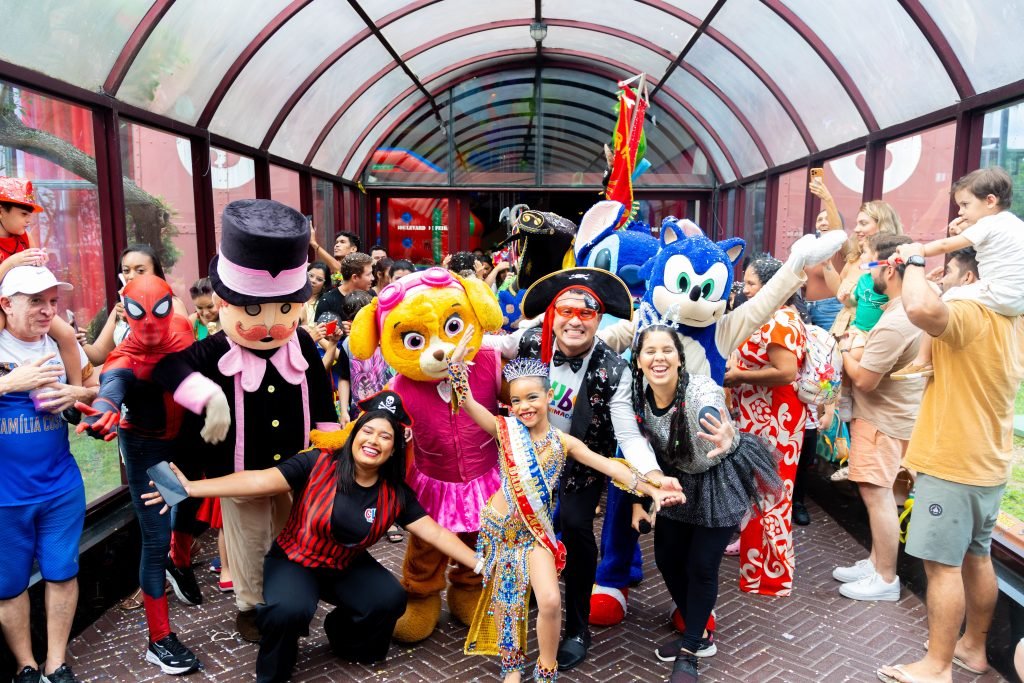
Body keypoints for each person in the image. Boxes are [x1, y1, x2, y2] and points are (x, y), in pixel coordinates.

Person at [143, 390, 481, 683]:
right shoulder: (318, 462)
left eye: (385, 436)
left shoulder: (397, 494)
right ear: (353, 434)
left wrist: (482, 564)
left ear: (393, 449)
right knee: (287, 610)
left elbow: (436, 532)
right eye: (367, 431)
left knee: (389, 598)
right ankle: (275, 669)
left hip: (344, 565)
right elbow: (259, 480)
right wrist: (191, 488)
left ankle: (343, 636)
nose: (373, 441)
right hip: (295, 559)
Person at [154, 200, 339, 643]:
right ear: (225, 302)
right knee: (249, 541)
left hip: (297, 467)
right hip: (238, 472)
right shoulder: (217, 348)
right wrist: (207, 396)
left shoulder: (301, 345)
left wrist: (330, 450)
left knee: (294, 531)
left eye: (284, 309)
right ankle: (252, 607)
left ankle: (290, 597)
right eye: (253, 311)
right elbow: (169, 369)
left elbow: (321, 398)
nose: (270, 325)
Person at [452, 351, 680, 683]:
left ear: (549, 396)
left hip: (535, 533)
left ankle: (546, 667)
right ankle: (512, 667)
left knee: (548, 600)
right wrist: (457, 371)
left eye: (532, 397)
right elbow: (469, 403)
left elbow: (610, 467)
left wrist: (652, 488)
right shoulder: (506, 430)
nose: (524, 406)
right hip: (501, 531)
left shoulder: (563, 442)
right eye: (516, 400)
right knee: (507, 600)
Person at [491, 267, 676, 670]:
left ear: (599, 319)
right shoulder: (529, 340)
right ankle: (526, 600)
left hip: (583, 461)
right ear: (552, 315)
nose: (575, 321)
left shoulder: (614, 369)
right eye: (567, 311)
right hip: (531, 458)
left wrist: (652, 476)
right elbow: (489, 344)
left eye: (586, 313)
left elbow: (628, 435)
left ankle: (577, 626)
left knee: (575, 528)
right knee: (521, 528)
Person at [875, 238, 1024, 683]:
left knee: (941, 566)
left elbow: (920, 308)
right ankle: (973, 648)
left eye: (951, 273)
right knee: (977, 557)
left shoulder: (970, 313)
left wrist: (915, 260)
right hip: (989, 461)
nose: (943, 282)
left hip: (953, 463)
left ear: (972, 277)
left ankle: (936, 666)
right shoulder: (1010, 319)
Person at [628, 325, 781, 682]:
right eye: (650, 351)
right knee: (667, 558)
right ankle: (699, 630)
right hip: (677, 482)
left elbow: (711, 411)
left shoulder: (700, 391)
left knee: (701, 565)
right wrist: (639, 498)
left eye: (667, 350)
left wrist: (726, 435)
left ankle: (690, 650)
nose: (659, 358)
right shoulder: (638, 398)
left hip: (718, 479)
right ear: (638, 362)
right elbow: (638, 451)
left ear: (680, 359)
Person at [74, 274, 201, 675]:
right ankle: (158, 639)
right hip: (148, 448)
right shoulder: (124, 358)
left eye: (157, 312)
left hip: (184, 440)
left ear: (170, 308)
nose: (149, 324)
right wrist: (105, 409)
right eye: (138, 314)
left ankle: (180, 562)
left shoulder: (182, 329)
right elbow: (113, 384)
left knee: (190, 502)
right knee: (156, 536)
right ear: (125, 313)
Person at [0, 265, 98, 683]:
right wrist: (9, 384)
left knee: (63, 573)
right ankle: (25, 665)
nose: (47, 310)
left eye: (53, 302)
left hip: (60, 487)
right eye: (36, 300)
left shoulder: (62, 345)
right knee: (9, 586)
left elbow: (99, 388)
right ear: (6, 304)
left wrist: (80, 393)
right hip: (5, 497)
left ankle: (56, 663)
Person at [831, 235, 925, 602]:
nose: (866, 274)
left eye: (870, 265)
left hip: (880, 419)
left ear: (889, 269)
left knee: (876, 493)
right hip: (898, 415)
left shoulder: (897, 320)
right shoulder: (911, 308)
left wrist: (845, 346)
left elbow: (865, 380)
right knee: (883, 493)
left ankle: (885, 577)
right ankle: (875, 562)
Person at [893, 166, 1024, 380]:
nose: (960, 212)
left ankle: (922, 360)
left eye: (965, 205)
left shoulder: (988, 223)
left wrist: (914, 251)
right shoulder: (1013, 223)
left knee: (946, 298)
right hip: (1017, 300)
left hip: (998, 292)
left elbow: (945, 245)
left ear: (990, 201)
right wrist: (962, 230)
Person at [724, 257, 806, 596]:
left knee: (771, 492)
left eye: (752, 283)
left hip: (775, 417)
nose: (745, 289)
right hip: (760, 414)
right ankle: (757, 567)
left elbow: (786, 372)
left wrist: (739, 376)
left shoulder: (781, 320)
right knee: (759, 490)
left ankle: (770, 577)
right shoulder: (773, 316)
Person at [0, 177, 83, 389]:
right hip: (5, 305)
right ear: (1, 211)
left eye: (30, 215)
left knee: (67, 334)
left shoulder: (25, 237)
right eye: (23, 214)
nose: (29, 220)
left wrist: (40, 261)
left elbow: (37, 270)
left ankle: (76, 387)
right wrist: (11, 262)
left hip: (27, 301)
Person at [84, 243, 189, 366]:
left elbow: (181, 347)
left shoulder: (172, 304)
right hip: (126, 373)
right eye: (126, 271)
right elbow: (98, 355)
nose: (131, 276)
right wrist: (76, 342)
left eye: (140, 271)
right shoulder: (120, 308)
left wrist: (135, 320)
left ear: (156, 273)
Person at [803, 174, 846, 329]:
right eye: (819, 220)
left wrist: (827, 198)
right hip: (807, 309)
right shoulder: (811, 249)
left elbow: (837, 231)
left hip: (830, 310)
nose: (823, 223)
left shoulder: (840, 248)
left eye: (827, 219)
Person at [315, 253, 373, 324]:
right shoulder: (327, 301)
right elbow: (318, 328)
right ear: (354, 277)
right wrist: (339, 328)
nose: (372, 278)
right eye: (369, 274)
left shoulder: (371, 295)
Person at [301, 261, 333, 329]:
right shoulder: (295, 296)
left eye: (319, 279)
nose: (313, 280)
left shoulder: (326, 303)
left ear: (324, 284)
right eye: (310, 275)